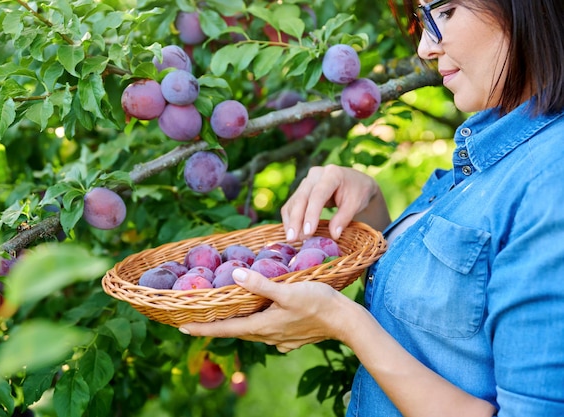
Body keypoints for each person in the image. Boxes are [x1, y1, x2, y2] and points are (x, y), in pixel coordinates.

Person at [180, 0, 564, 415]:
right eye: (422, 20)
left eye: (446, 11)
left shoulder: (551, 181)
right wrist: (370, 203)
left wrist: (346, 324)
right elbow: (446, 306)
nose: (425, 49)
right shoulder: (494, 142)